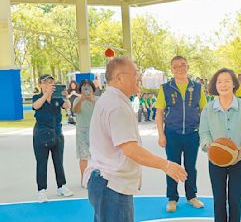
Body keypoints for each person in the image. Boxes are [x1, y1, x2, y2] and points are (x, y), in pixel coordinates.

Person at [83, 57, 187, 222]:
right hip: (111, 186)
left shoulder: (110, 100)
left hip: (106, 183)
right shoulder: (117, 106)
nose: (138, 78)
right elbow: (130, 149)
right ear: (119, 78)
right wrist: (165, 165)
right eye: (135, 73)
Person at [199, 68, 241, 222]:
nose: (223, 85)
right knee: (219, 200)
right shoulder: (208, 109)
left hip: (239, 159)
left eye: (227, 81)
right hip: (216, 160)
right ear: (215, 85)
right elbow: (204, 133)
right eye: (219, 81)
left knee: (235, 199)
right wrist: (209, 145)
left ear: (234, 84)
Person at [155, 55, 207, 212]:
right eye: (175, 66)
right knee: (172, 165)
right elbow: (159, 113)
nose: (179, 69)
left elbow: (204, 112)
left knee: (190, 166)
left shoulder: (197, 87)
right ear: (171, 69)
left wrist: (205, 134)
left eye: (182, 65)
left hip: (192, 133)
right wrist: (161, 135)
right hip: (172, 134)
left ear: (188, 67)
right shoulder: (165, 88)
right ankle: (172, 198)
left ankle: (192, 196)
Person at [32, 74, 74, 203]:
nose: (49, 84)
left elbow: (67, 106)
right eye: (45, 82)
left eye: (51, 82)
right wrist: (46, 95)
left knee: (58, 162)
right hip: (41, 135)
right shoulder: (37, 97)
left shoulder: (57, 98)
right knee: (42, 163)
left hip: (57, 134)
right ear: (40, 85)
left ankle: (61, 186)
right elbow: (36, 106)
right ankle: (41, 190)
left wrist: (66, 97)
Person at [72, 79, 96, 185]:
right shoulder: (77, 100)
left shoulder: (98, 100)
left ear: (92, 88)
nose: (86, 89)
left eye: (88, 87)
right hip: (82, 131)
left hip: (96, 131)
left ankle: (97, 179)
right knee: (83, 156)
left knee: (98, 156)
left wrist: (92, 99)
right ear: (80, 89)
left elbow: (101, 112)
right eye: (84, 87)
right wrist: (82, 98)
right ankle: (84, 179)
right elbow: (75, 111)